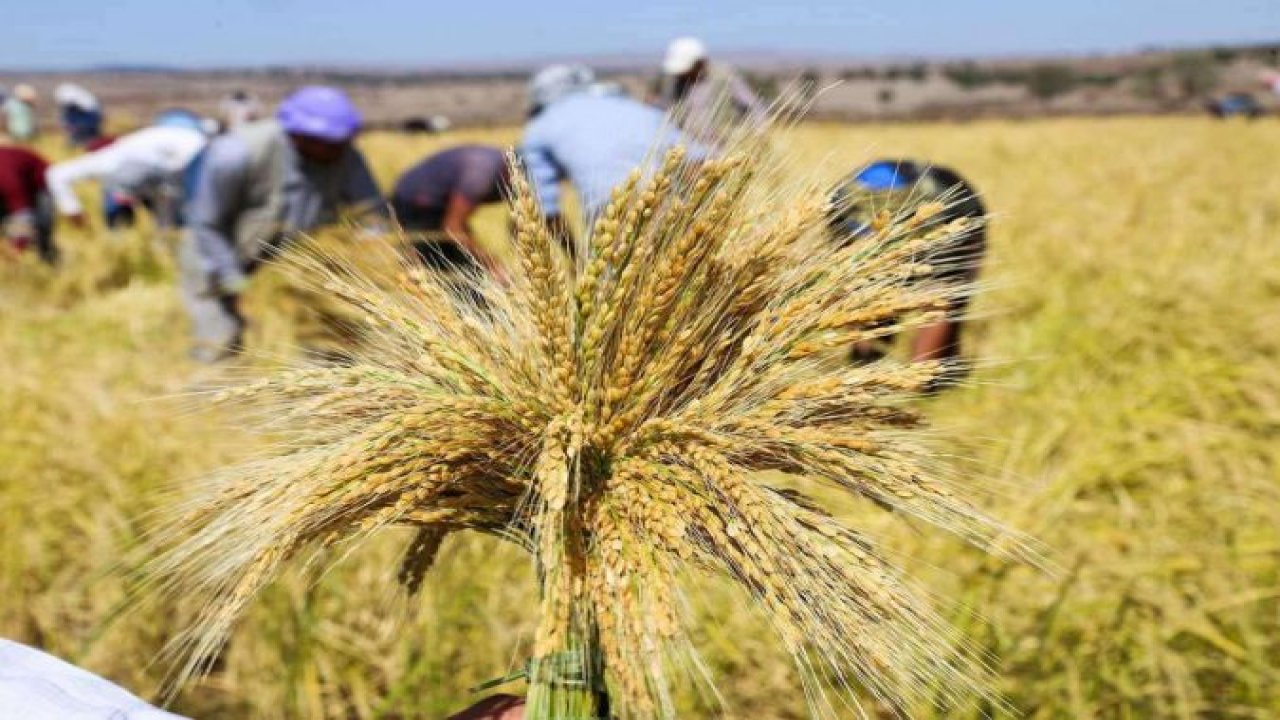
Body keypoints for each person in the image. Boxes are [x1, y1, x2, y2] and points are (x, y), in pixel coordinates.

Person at [181, 85, 385, 363]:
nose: (341, 149)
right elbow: (206, 223)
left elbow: (372, 213)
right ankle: (214, 397)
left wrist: (378, 257)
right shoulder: (236, 153)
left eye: (344, 140)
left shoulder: (344, 154)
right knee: (221, 341)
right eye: (331, 142)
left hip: (291, 261)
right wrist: (234, 280)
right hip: (218, 253)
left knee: (319, 343)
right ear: (299, 135)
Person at [520, 64, 702, 253]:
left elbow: (545, 209)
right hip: (671, 206)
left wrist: (576, 261)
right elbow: (700, 161)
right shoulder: (639, 109)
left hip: (610, 215)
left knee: (619, 277)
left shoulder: (538, 128)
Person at [828, 159, 987, 373]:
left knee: (931, 297)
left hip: (946, 214)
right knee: (938, 299)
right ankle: (914, 374)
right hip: (938, 210)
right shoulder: (843, 203)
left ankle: (906, 373)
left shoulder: (948, 202)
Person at [45, 112, 209, 230]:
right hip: (163, 186)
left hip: (162, 184)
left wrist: (73, 211)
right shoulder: (111, 158)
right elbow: (56, 174)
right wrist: (73, 210)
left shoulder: (116, 155)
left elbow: (56, 174)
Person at [391, 144, 509, 280]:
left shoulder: (503, 166)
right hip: (419, 203)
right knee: (429, 267)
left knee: (460, 271)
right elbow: (453, 228)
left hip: (432, 204)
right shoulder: (481, 175)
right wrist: (491, 264)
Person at [656, 36, 767, 146]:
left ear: (698, 63)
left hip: (725, 151)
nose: (682, 74)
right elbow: (665, 111)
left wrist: (757, 135)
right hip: (686, 149)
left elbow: (755, 107)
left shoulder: (723, 77)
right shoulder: (676, 83)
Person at [0, 141, 55, 263]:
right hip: (15, 180)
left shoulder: (7, 179)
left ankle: (47, 259)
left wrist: (17, 249)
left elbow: (23, 214)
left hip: (41, 184)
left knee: (41, 228)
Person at [54, 83, 105, 148]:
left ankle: (79, 143)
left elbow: (70, 115)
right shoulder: (80, 98)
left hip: (89, 119)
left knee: (85, 136)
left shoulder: (78, 102)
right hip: (91, 118)